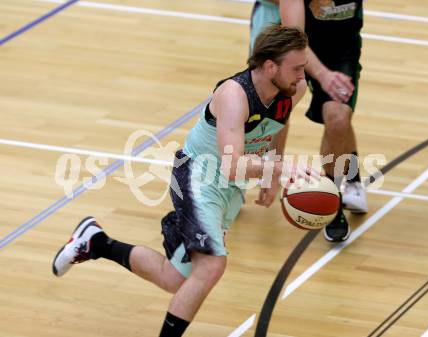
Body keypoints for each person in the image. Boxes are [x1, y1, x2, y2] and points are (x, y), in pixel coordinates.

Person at [52, 25, 319, 337]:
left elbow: (278, 124)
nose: (302, 77)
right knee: (212, 266)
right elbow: (233, 165)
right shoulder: (234, 95)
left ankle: (96, 242)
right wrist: (279, 167)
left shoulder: (291, 90)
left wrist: (271, 173)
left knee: (176, 279)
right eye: (296, 69)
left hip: (229, 189)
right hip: (199, 177)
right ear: (270, 66)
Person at [279, 0, 368, 242]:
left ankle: (332, 199)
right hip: (296, 48)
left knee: (338, 119)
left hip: (342, 52)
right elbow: (294, 38)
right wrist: (322, 75)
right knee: (269, 110)